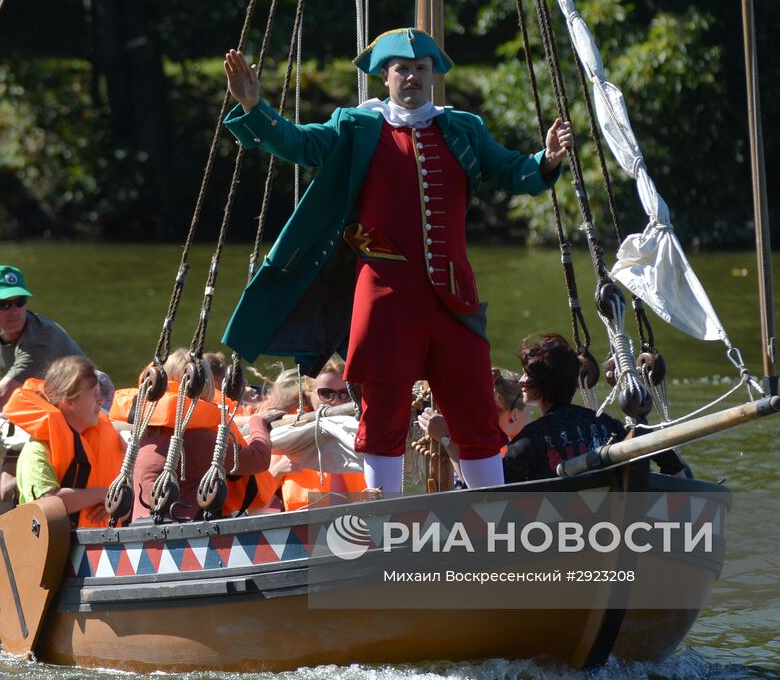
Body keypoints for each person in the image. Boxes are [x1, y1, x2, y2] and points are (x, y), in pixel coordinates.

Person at [221, 28, 573, 493]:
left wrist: (545, 159)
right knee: (383, 409)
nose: (411, 77)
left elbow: (510, 169)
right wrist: (253, 108)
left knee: (474, 406)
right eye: (402, 70)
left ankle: (490, 508)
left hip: (454, 298)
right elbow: (297, 143)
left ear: (433, 76)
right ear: (384, 78)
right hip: (384, 296)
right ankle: (380, 513)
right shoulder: (357, 126)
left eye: (420, 69)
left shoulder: (462, 128)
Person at [0, 264, 84, 520]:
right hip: (34, 401)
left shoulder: (40, 339)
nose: (14, 310)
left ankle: (9, 523)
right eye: (3, 304)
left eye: (20, 301)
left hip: (80, 399)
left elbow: (1, 395)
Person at [502, 333, 689, 481]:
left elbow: (496, 488)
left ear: (544, 383)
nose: (521, 381)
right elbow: (650, 442)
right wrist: (677, 472)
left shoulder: (531, 439)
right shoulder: (605, 424)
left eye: (527, 375)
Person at [122, 349, 278, 522]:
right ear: (203, 385)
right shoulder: (198, 440)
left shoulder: (144, 433)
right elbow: (258, 459)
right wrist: (258, 422)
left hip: (142, 533)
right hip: (180, 541)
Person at [2, 355, 125, 528]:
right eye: (94, 395)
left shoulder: (103, 438)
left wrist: (115, 502)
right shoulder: (37, 450)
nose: (101, 401)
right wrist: (100, 495)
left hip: (108, 548)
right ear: (69, 401)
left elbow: (127, 504)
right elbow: (48, 502)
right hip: (62, 551)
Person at [272, 355, 368, 509]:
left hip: (358, 523)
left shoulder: (363, 430)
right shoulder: (287, 433)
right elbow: (257, 498)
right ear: (308, 394)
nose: (336, 401)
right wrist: (279, 469)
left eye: (344, 394)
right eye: (326, 394)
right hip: (303, 526)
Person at [416, 367, 531, 477]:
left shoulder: (516, 452)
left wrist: (446, 437)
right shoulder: (531, 437)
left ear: (513, 416)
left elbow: (482, 491)